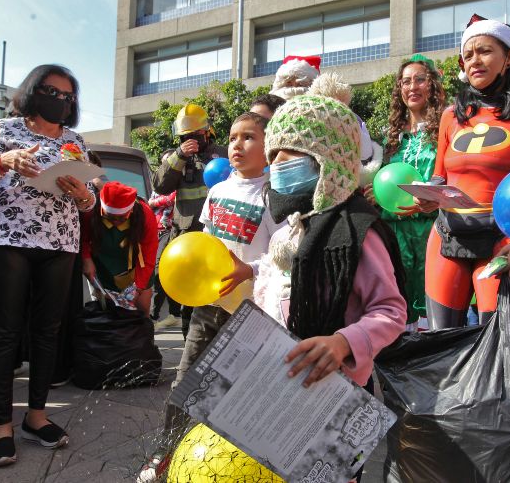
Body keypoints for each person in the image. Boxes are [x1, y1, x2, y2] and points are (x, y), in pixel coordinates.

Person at [254, 83, 407, 483]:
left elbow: (391, 311)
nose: (277, 164)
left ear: (329, 159)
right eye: (273, 154)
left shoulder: (356, 234)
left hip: (337, 394)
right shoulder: (289, 230)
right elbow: (277, 285)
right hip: (284, 385)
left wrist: (343, 343)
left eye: (291, 153)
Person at [0, 64, 95, 467]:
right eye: (52, 92)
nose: (60, 101)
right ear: (33, 91)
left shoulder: (74, 140)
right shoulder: (2, 129)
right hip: (9, 240)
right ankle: (0, 426)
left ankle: (36, 417)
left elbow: (89, 200)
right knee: (4, 333)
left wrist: (82, 192)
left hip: (60, 243)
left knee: (48, 331)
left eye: (68, 96)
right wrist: (2, 162)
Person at [138, 112, 282, 483]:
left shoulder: (274, 196)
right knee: (185, 382)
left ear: (269, 145)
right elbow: (205, 242)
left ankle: (240, 463)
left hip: (251, 314)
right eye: (233, 138)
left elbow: (284, 254)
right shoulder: (217, 192)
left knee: (240, 392)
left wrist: (249, 270)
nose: (237, 145)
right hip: (209, 305)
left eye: (249, 137)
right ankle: (165, 452)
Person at [416, 15, 510, 328]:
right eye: (468, 55)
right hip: (448, 234)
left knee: (498, 340)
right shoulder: (451, 116)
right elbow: (440, 176)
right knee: (441, 339)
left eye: (485, 51)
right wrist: (428, 195)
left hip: (504, 238)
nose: (474, 61)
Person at [363, 53, 445, 327]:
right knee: (398, 311)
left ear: (432, 85)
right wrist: (375, 194)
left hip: (432, 233)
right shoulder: (389, 138)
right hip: (396, 238)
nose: (412, 87)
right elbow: (383, 181)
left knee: (436, 314)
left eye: (420, 80)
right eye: (406, 81)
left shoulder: (446, 129)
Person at [152, 103, 228, 327]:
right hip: (187, 237)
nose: (190, 140)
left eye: (195, 135)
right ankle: (190, 338)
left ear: (207, 132)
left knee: (219, 291)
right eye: (185, 136)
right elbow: (160, 185)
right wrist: (180, 155)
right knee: (190, 295)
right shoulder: (178, 159)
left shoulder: (223, 154)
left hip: (219, 235)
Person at [81, 181, 158, 316]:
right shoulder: (91, 211)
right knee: (108, 312)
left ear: (131, 211)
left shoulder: (145, 214)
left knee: (141, 311)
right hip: (103, 266)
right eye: (110, 217)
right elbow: (83, 239)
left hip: (137, 266)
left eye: (121, 218)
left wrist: (138, 287)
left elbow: (149, 254)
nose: (115, 222)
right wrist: (86, 259)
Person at [147, 154, 184, 330]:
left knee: (160, 271)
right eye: (163, 162)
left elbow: (171, 198)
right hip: (155, 231)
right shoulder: (159, 180)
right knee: (164, 273)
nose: (166, 165)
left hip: (170, 231)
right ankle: (174, 314)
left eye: (169, 161)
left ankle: (153, 317)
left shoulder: (178, 179)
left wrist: (153, 202)